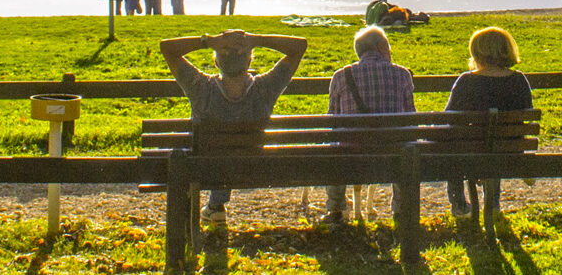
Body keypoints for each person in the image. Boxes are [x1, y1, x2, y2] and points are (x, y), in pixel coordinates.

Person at [160, 30, 308, 225]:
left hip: (204, 168)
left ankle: (215, 207)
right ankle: (216, 205)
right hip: (252, 167)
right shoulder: (265, 89)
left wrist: (209, 41)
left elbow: (167, 48)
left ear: (216, 63)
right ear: (249, 63)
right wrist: (258, 39)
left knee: (218, 154)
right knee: (228, 154)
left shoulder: (200, 88)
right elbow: (299, 47)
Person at [322, 26, 415, 224]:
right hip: (393, 155)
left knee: (334, 148)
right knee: (406, 144)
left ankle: (336, 208)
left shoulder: (341, 76)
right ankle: (402, 210)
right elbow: (410, 120)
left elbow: (332, 122)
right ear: (382, 47)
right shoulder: (402, 74)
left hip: (352, 155)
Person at [445, 27, 533, 219]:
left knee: (451, 149)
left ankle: (460, 206)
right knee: (495, 141)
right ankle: (492, 206)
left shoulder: (466, 81)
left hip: (471, 150)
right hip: (509, 149)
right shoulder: (519, 80)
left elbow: (449, 118)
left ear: (477, 52)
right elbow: (526, 112)